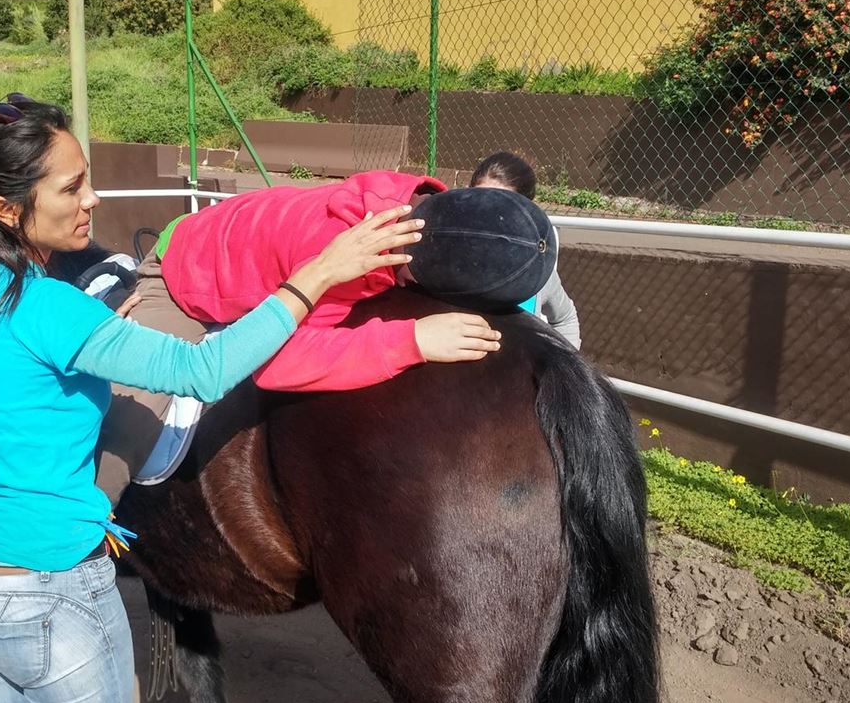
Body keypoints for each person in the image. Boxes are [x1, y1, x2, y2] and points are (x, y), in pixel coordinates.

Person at [0, 94, 431, 703]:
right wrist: (321, 272)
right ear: (5, 208)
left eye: (86, 178)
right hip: (49, 596)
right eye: (69, 188)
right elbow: (202, 367)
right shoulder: (55, 311)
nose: (92, 200)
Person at [101, 170, 554, 497]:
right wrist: (411, 340)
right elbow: (279, 363)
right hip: (187, 273)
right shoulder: (338, 254)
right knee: (131, 416)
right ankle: (81, 539)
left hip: (261, 240)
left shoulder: (426, 214)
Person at [470, 151, 582, 350]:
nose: (488, 214)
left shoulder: (536, 268)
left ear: (526, 211)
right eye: (481, 199)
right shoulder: (443, 261)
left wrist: (567, 371)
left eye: (504, 206)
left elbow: (565, 318)